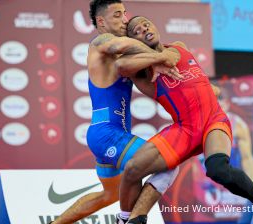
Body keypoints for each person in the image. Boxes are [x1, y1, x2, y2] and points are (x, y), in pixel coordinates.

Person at [114, 16, 253, 224]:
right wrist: (156, 60)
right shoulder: (143, 72)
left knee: (218, 169)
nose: (144, 29)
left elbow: (173, 56)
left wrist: (164, 58)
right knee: (132, 169)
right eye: (137, 31)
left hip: (214, 121)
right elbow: (121, 65)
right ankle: (127, 219)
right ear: (135, 42)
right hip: (184, 130)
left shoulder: (178, 47)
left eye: (146, 24)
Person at [51, 1, 181, 224]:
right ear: (101, 22)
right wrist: (161, 55)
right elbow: (118, 45)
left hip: (108, 133)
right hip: (107, 135)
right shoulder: (100, 42)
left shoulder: (124, 58)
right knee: (169, 164)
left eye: (124, 14)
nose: (125, 19)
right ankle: (127, 220)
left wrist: (160, 60)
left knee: (110, 195)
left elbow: (151, 82)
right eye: (117, 15)